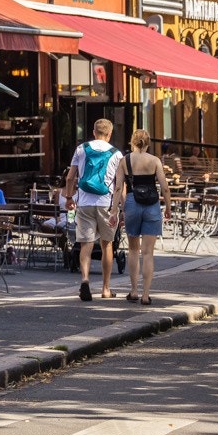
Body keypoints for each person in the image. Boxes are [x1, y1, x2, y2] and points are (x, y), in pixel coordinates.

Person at [64, 118, 124, 302]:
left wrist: (68, 198)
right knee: (107, 245)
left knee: (86, 244)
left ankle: (85, 279)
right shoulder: (117, 154)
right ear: (110, 133)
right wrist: (121, 207)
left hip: (85, 202)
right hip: (106, 203)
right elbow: (119, 185)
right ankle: (106, 288)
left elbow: (70, 178)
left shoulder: (81, 149)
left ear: (93, 131)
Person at [118, 130, 168, 306]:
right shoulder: (155, 161)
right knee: (148, 253)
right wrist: (168, 207)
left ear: (132, 142)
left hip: (132, 202)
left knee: (133, 250)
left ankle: (133, 291)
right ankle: (146, 295)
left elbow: (118, 188)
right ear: (148, 143)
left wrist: (114, 211)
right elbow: (164, 186)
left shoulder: (124, 161)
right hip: (152, 204)